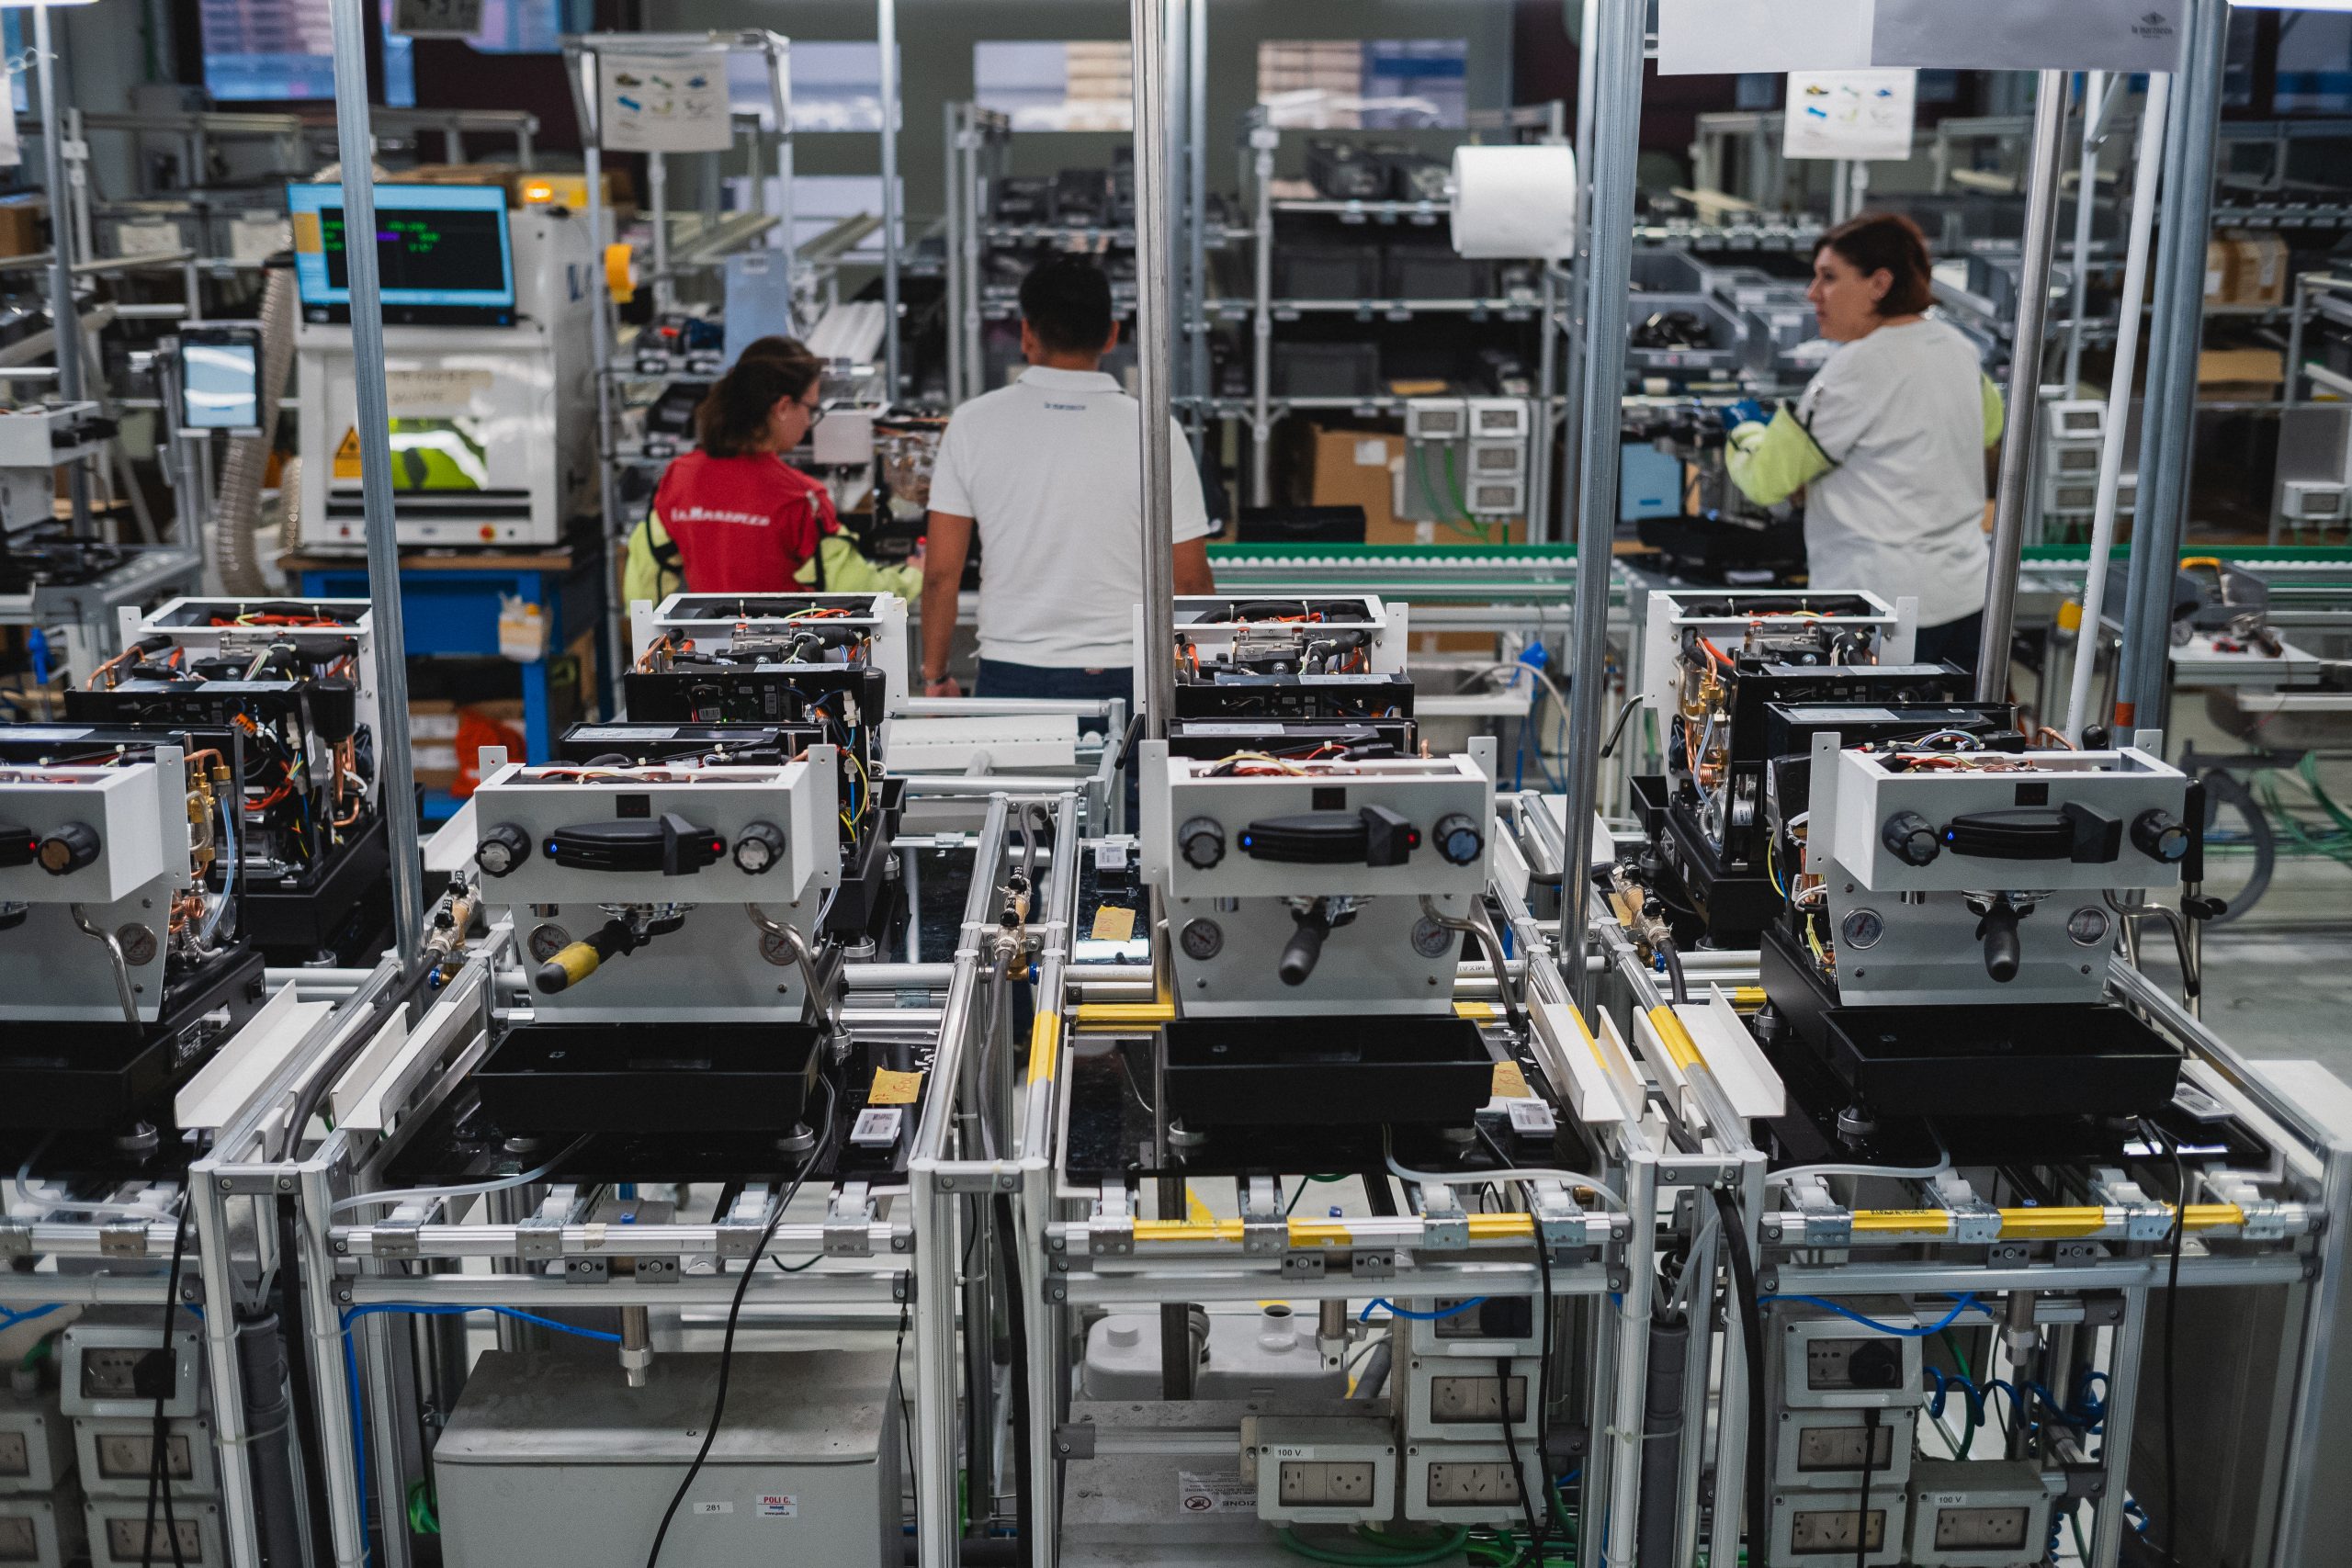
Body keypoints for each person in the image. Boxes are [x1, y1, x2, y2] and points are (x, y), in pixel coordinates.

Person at [919, 255, 1216, 701]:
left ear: (1025, 333)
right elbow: (1190, 580)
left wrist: (935, 676)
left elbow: (941, 574)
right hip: (1130, 673)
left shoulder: (972, 423)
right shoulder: (1155, 430)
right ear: (1113, 334)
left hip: (1012, 671)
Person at [1724, 211, 2005, 672]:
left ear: (1879, 283)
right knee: (1952, 742)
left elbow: (1765, 478)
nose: (1813, 294)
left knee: (1866, 744)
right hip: (1966, 599)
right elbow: (1989, 428)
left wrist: (1742, 428)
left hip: (1881, 612)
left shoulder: (1855, 367)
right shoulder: (1958, 348)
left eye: (1828, 278)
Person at [622, 338, 921, 605]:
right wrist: (914, 575)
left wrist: (658, 649)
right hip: (785, 660)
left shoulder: (679, 477)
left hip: (705, 656)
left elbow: (645, 584)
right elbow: (853, 588)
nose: (809, 421)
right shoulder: (800, 498)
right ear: (782, 407)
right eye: (811, 409)